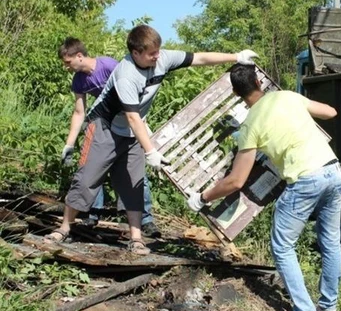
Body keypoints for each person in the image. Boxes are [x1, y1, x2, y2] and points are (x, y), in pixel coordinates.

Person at [45, 25, 258, 255]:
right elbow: (133, 117)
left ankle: (136, 238)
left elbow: (200, 57)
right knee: (87, 179)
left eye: (158, 51)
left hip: (132, 131)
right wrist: (151, 152)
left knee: (134, 183)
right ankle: (64, 228)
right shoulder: (126, 74)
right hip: (104, 127)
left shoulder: (162, 58)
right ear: (136, 53)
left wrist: (237, 56)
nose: (157, 56)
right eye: (151, 53)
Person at [187, 64, 341, 311]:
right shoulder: (287, 97)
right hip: (333, 169)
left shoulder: (250, 126)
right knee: (330, 240)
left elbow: (236, 180)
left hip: (305, 179)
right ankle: (328, 307)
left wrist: (202, 197)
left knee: (282, 246)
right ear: (259, 81)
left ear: (237, 93)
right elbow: (330, 112)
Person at [58, 38, 161, 237]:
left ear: (79, 56)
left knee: (136, 175)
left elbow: (134, 90)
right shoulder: (79, 80)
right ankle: (92, 214)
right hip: (104, 125)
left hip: (129, 121)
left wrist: (142, 124)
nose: (66, 67)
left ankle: (146, 220)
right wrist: (69, 144)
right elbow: (79, 112)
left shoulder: (108, 66)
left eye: (68, 62)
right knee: (93, 169)